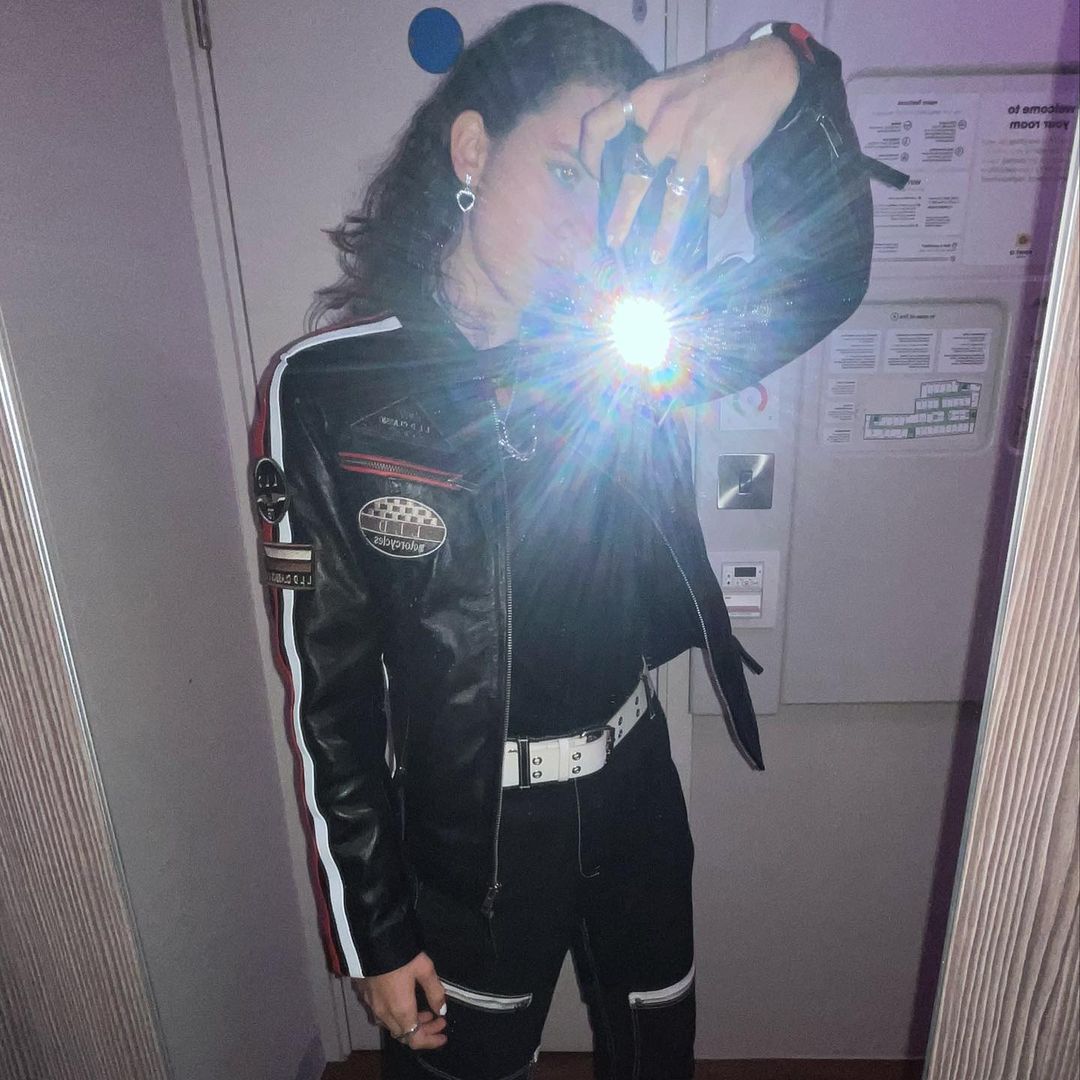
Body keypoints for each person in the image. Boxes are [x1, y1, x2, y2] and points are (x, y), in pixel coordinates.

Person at [249, 6, 875, 1078]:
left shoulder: (622, 350)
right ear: (473, 149)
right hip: (472, 839)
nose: (595, 222)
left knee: (657, 1056)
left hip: (634, 790)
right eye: (571, 171)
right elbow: (329, 701)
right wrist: (373, 930)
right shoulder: (328, 392)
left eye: (615, 183)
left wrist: (792, 71)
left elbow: (821, 278)